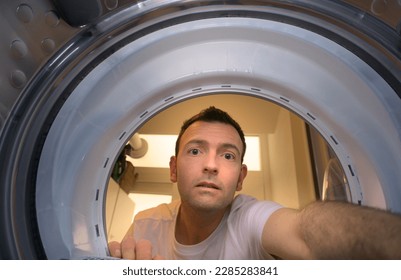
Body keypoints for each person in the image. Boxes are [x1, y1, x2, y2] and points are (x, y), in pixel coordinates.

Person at [108, 106, 401, 260]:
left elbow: (303, 232)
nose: (211, 164)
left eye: (227, 154)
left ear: (240, 179)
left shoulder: (249, 219)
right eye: (195, 150)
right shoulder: (146, 224)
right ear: (173, 169)